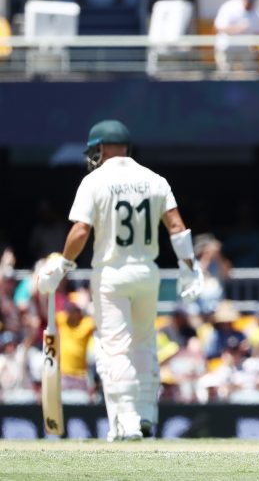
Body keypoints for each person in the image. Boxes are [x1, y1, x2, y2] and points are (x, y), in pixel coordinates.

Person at [36, 119, 204, 441]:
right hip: (146, 272)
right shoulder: (154, 179)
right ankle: (146, 414)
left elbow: (81, 230)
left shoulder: (94, 181)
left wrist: (63, 265)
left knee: (116, 348)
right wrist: (188, 267)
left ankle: (127, 420)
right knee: (144, 342)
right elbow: (176, 226)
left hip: (112, 273)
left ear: (101, 147)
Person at [214, 0, 259, 72]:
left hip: (246, 47)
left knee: (251, 73)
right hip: (227, 46)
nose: (250, 1)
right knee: (225, 75)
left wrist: (258, 50)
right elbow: (218, 27)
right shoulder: (230, 7)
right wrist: (238, 29)